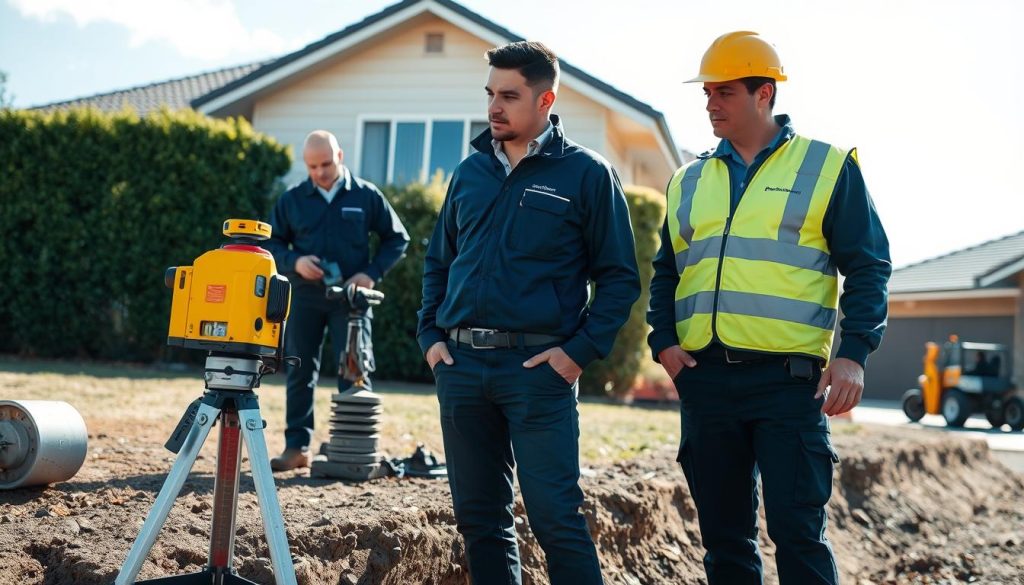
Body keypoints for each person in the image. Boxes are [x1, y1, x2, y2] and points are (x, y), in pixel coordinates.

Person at [647, 32, 892, 584]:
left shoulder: (826, 167)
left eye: (725, 92)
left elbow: (870, 265)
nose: (711, 103)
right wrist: (662, 340)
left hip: (789, 385)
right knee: (725, 542)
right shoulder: (687, 180)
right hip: (706, 382)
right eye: (707, 92)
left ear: (765, 94)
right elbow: (667, 270)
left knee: (799, 535)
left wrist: (852, 354)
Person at [417, 41, 640, 585]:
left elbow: (619, 278)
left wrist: (578, 354)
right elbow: (438, 262)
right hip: (462, 369)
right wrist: (430, 337)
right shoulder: (469, 173)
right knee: (480, 521)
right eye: (490, 93)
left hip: (539, 372)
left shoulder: (587, 174)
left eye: (509, 95)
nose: (495, 106)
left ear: (546, 100)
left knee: (556, 519)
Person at [264, 130, 409, 471]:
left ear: (340, 156)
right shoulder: (292, 200)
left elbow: (397, 239)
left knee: (354, 370)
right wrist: (295, 262)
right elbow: (271, 245)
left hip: (352, 301)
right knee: (299, 370)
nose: (320, 172)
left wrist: (371, 273)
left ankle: (353, 450)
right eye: (312, 166)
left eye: (326, 164)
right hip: (305, 297)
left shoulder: (366, 195)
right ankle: (297, 447)